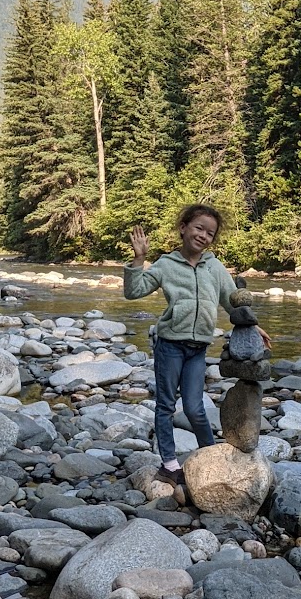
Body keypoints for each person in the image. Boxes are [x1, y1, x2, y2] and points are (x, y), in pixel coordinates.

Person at [125, 204, 244, 479]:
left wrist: (252, 325)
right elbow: (134, 292)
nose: (203, 236)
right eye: (199, 228)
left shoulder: (214, 267)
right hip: (170, 346)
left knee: (194, 408)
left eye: (210, 233)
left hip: (198, 348)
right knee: (166, 405)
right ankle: (169, 464)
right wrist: (139, 259)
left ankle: (210, 455)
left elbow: (232, 300)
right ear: (183, 228)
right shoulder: (167, 264)